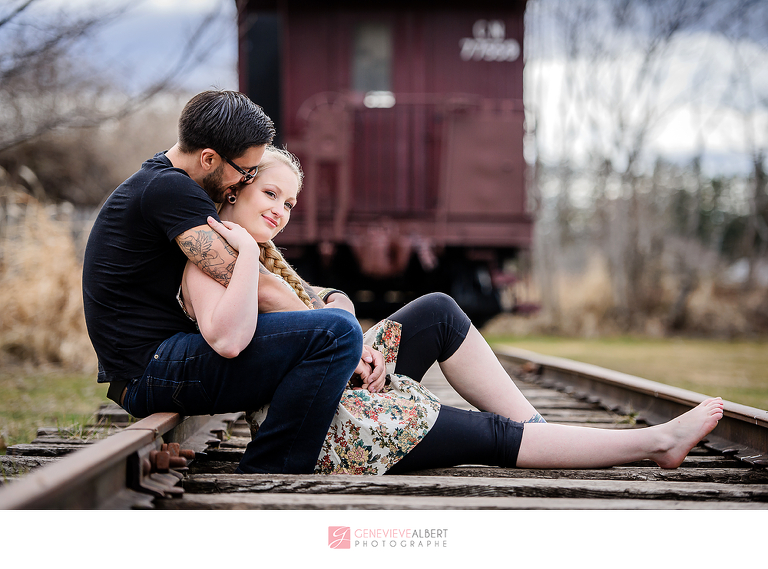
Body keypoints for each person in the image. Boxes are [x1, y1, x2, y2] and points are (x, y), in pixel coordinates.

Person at [182, 145, 725, 475]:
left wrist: (344, 319)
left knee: (439, 311)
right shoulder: (217, 256)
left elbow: (317, 298)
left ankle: (537, 431)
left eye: (290, 203)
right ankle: (657, 442)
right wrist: (341, 334)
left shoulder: (258, 252)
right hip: (329, 431)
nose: (280, 211)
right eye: (270, 195)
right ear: (235, 189)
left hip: (332, 390)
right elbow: (242, 331)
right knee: (488, 436)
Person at [82, 90, 364, 475]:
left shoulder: (166, 184)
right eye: (244, 171)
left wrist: (333, 300)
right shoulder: (172, 189)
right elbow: (253, 282)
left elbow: (262, 280)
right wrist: (345, 337)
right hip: (150, 369)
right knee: (335, 335)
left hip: (154, 362)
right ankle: (271, 469)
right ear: (209, 158)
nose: (245, 179)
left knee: (337, 331)